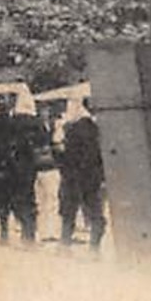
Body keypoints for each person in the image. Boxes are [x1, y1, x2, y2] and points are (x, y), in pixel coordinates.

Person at [0, 82, 45, 245]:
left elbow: (39, 140)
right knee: (2, 203)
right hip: (2, 169)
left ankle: (28, 236)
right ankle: (4, 234)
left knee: (26, 202)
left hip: (23, 169)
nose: (2, 102)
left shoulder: (28, 120)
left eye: (5, 98)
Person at [57, 97, 106, 249]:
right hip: (90, 175)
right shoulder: (93, 126)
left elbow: (68, 155)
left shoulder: (73, 128)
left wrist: (60, 152)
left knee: (69, 211)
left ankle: (66, 244)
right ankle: (94, 245)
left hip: (74, 176)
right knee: (94, 209)